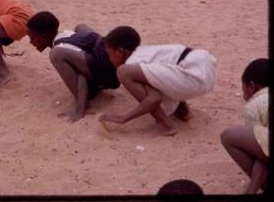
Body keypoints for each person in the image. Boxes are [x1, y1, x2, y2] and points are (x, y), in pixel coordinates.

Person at [98, 27, 217, 136]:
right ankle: (181, 111)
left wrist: (124, 118)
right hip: (205, 67)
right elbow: (164, 78)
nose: (109, 59)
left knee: (123, 72)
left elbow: (154, 98)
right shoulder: (145, 52)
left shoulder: (131, 64)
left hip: (193, 76)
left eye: (109, 54)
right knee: (158, 76)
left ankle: (165, 124)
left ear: (120, 51)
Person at [27, 11, 120, 122]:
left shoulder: (60, 49)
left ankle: (85, 100)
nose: (30, 42)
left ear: (44, 37)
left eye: (32, 38)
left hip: (109, 75)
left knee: (56, 54)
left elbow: (81, 74)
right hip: (105, 59)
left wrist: (79, 109)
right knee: (80, 27)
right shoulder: (67, 34)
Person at [220, 58, 268, 194]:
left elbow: (264, 152)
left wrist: (251, 190)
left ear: (251, 86)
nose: (244, 96)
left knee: (228, 136)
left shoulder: (255, 104)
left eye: (244, 90)